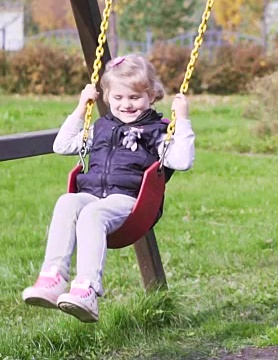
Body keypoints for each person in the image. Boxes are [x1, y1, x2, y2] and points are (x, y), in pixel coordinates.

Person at [22, 54, 195, 322]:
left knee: (93, 215)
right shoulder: (102, 127)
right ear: (108, 98)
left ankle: (87, 290)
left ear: (151, 95)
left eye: (135, 97)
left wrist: (182, 120)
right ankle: (52, 279)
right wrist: (81, 107)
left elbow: (182, 160)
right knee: (66, 202)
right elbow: (62, 145)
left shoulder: (156, 132)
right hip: (92, 195)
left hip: (129, 203)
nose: (126, 105)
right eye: (118, 98)